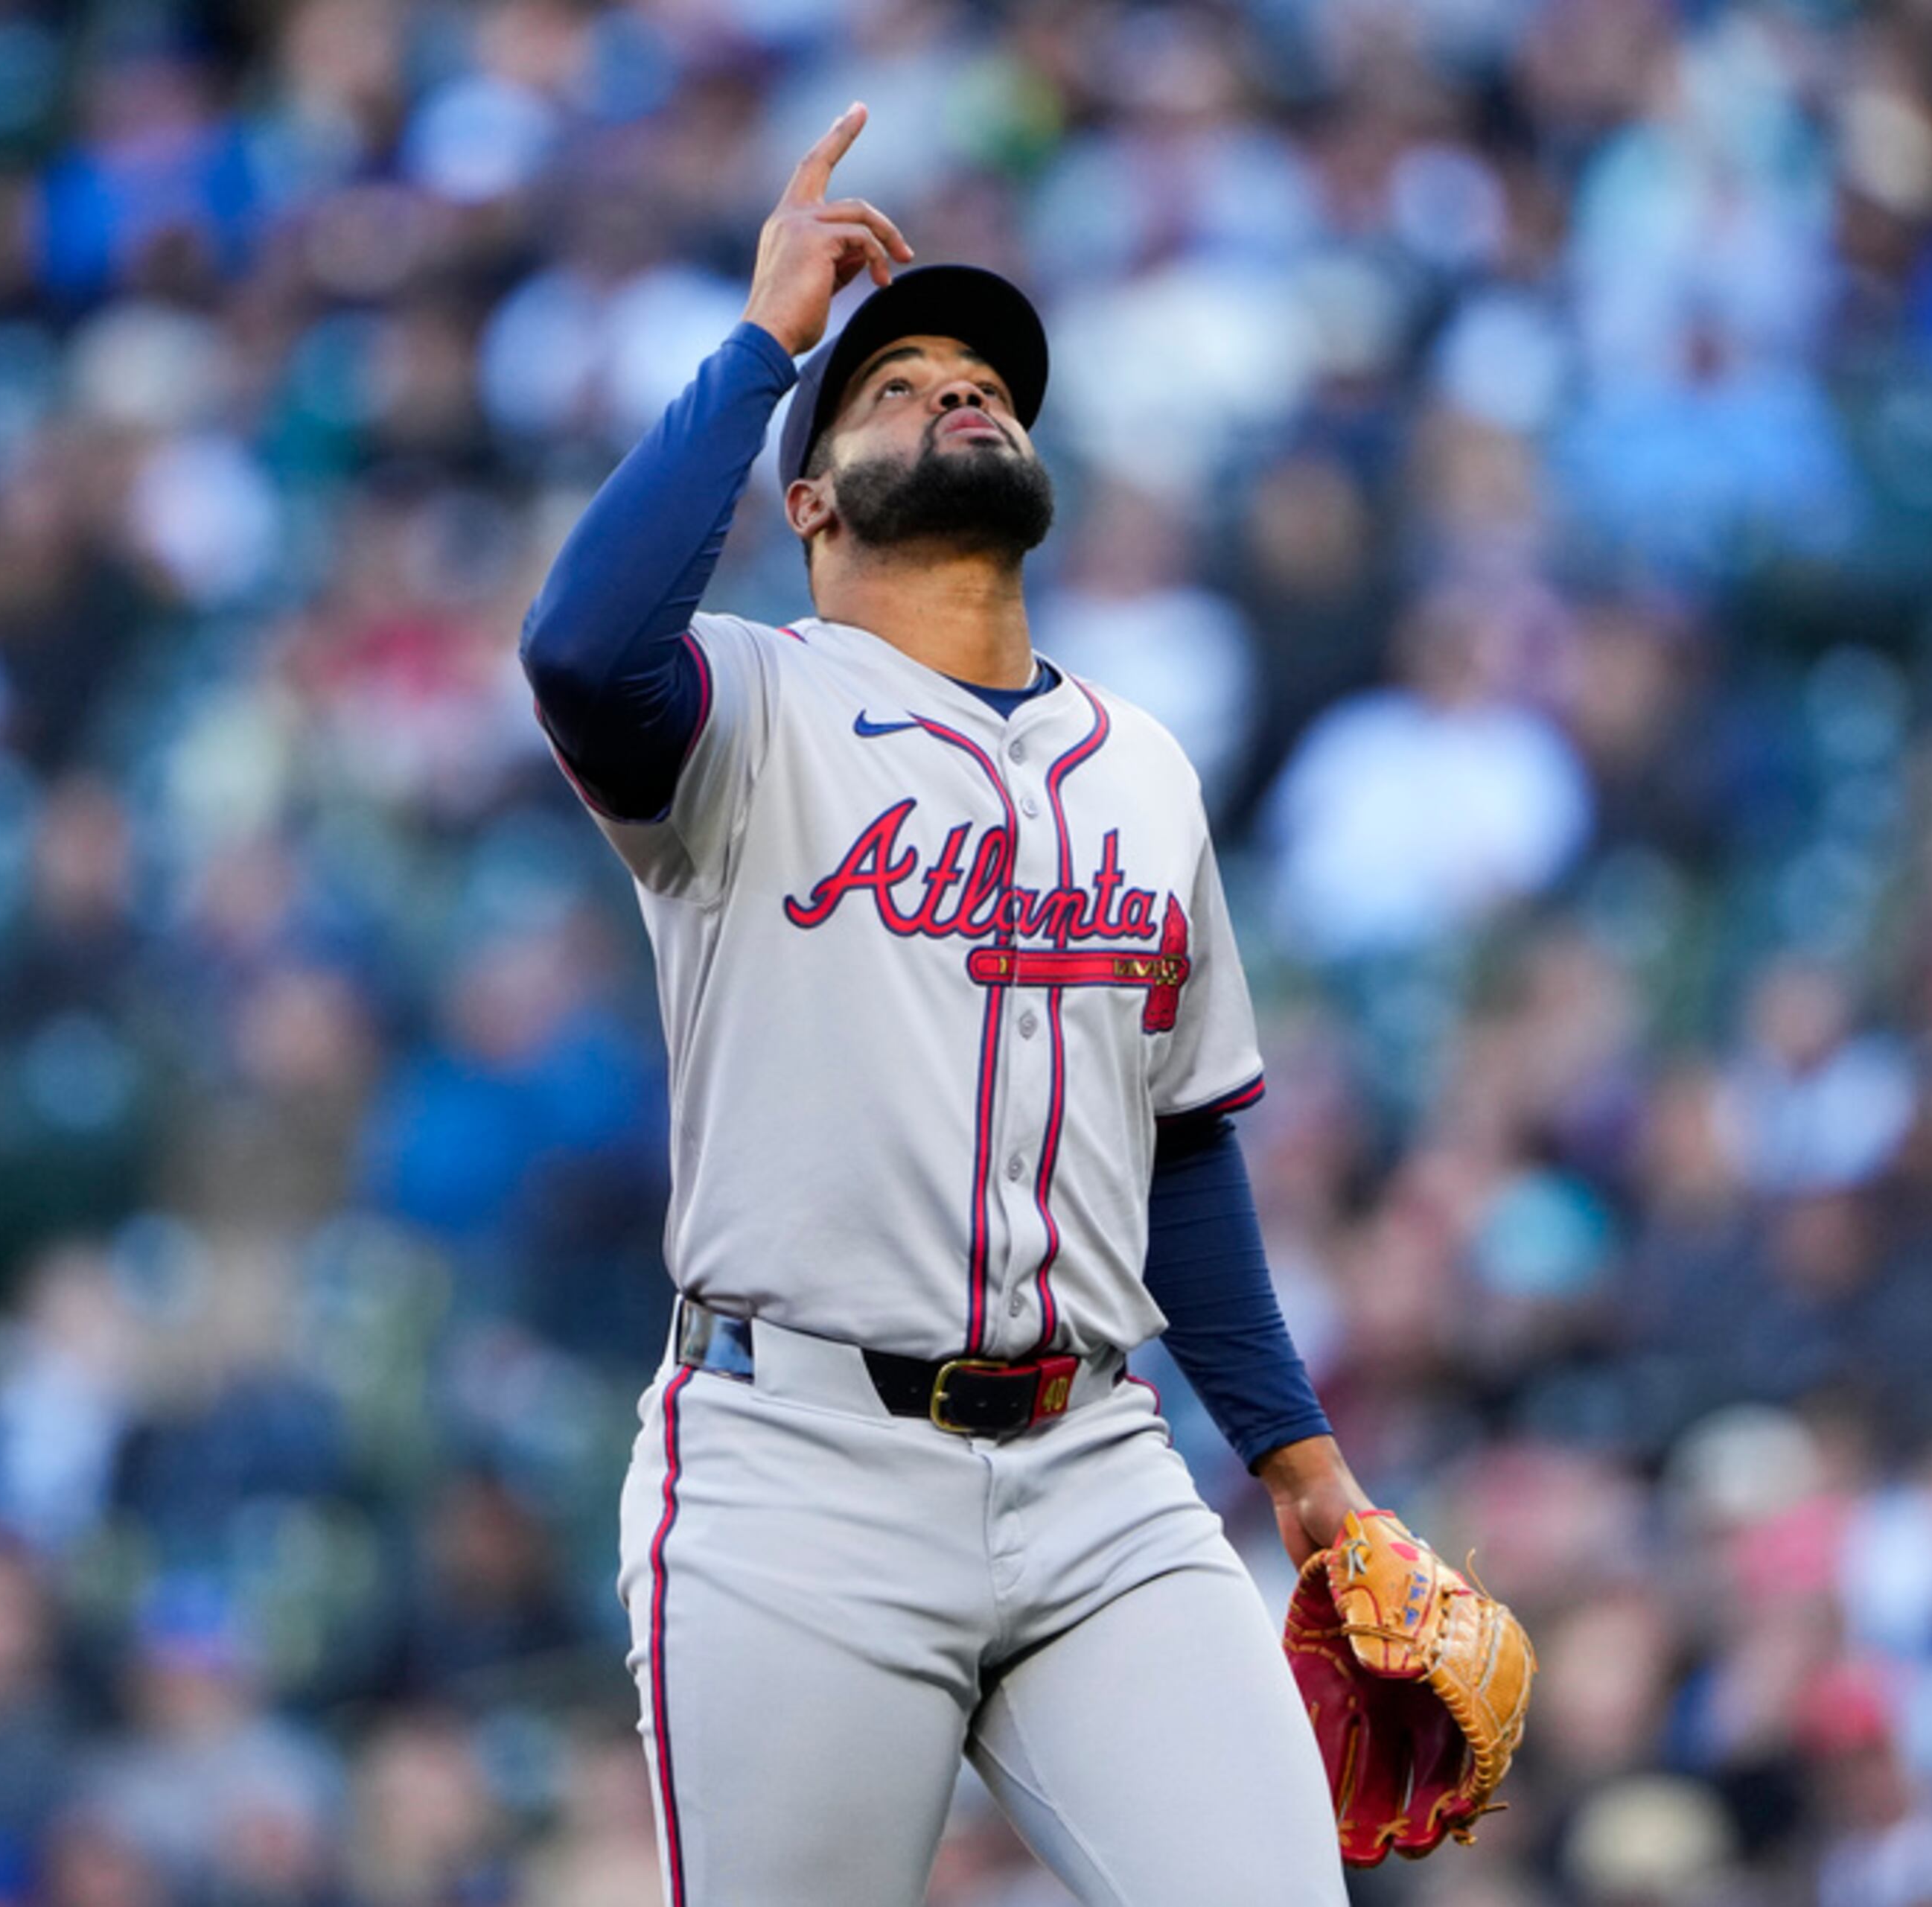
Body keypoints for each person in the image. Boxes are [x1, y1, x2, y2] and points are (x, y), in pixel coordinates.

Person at [515, 104, 1360, 1904]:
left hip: (1098, 1472)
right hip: (797, 1473)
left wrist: (1304, 1470)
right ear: (806, 501)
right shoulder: (737, 714)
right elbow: (579, 646)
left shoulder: (1140, 765)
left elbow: (1183, 1152)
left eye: (985, 379)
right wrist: (766, 350)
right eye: (900, 385)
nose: (961, 392)